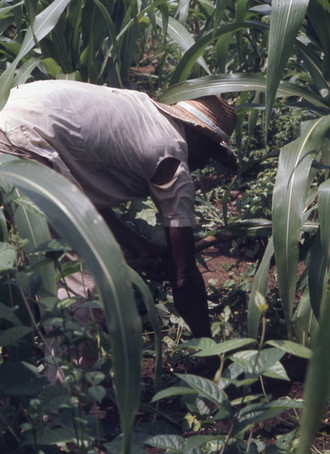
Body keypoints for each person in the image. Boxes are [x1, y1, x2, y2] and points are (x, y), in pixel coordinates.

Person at [0, 80, 236, 341]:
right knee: (79, 292)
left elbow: (80, 202)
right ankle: (73, 379)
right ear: (200, 138)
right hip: (25, 142)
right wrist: (210, 351)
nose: (204, 164)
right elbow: (184, 279)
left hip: (13, 114)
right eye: (210, 154)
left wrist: (141, 247)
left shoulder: (141, 111)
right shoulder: (171, 157)